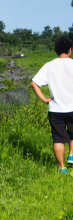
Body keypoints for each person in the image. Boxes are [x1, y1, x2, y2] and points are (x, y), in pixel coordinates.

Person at [31, 36, 73, 173]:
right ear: (70, 50)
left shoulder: (49, 65)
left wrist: (44, 99)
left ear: (56, 50)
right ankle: (71, 155)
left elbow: (34, 83)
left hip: (55, 108)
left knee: (58, 138)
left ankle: (62, 168)